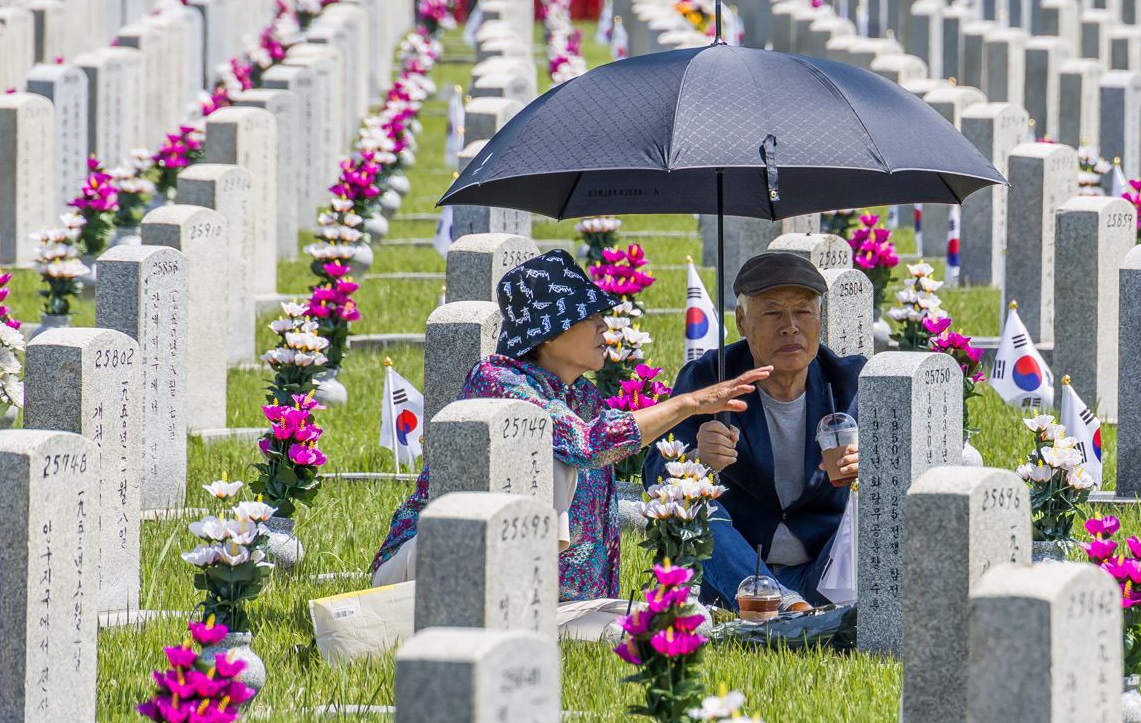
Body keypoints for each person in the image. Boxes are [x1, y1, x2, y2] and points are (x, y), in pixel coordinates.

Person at [370, 250, 765, 597]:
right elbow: (589, 444)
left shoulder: (583, 395)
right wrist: (691, 402)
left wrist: (695, 457)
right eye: (587, 315)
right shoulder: (499, 379)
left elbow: (603, 463)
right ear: (545, 334)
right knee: (557, 460)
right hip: (427, 570)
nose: (602, 325)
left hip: (537, 589)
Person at [647, 251, 865, 609]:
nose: (790, 326)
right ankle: (783, 609)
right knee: (691, 503)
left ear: (820, 317)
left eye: (803, 311)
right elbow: (654, 474)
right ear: (741, 321)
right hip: (739, 576)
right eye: (772, 312)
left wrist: (868, 466)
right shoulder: (709, 378)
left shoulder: (849, 381)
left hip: (826, 571)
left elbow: (905, 473)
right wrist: (695, 459)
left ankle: (804, 610)